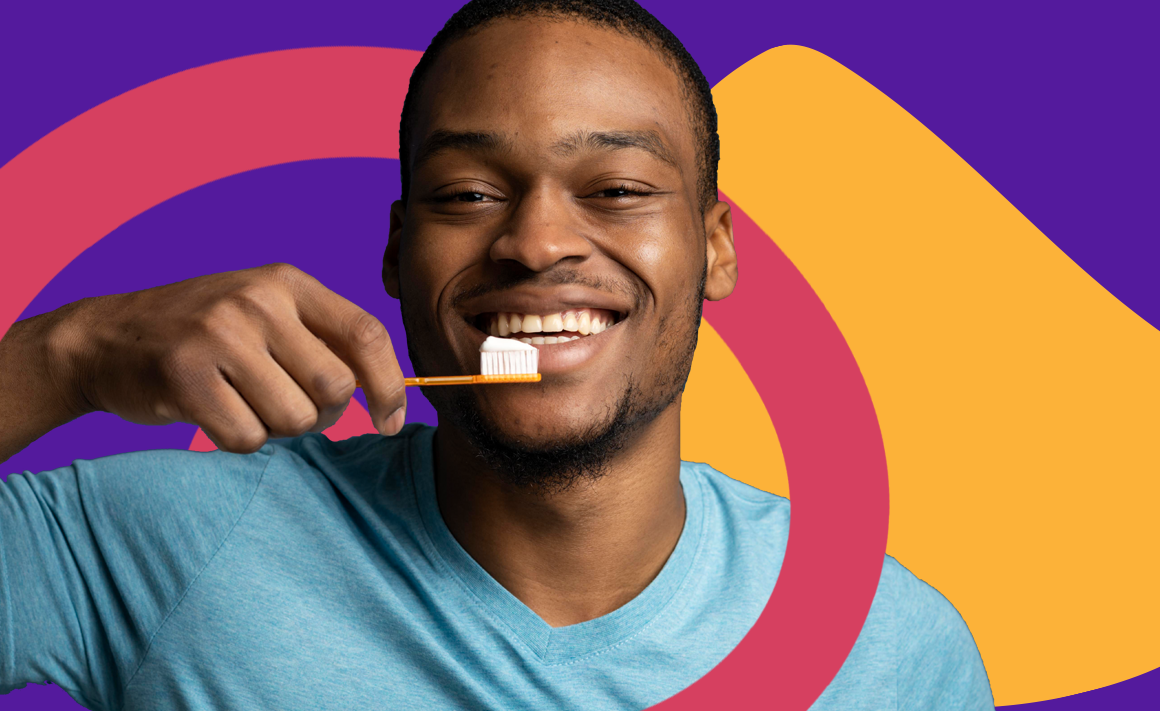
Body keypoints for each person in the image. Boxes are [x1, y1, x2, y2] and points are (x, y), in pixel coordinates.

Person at [0, 1, 994, 708]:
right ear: (395, 252)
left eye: (615, 189)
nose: (534, 243)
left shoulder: (887, 652)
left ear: (715, 247)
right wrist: (65, 355)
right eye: (469, 194)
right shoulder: (158, 544)